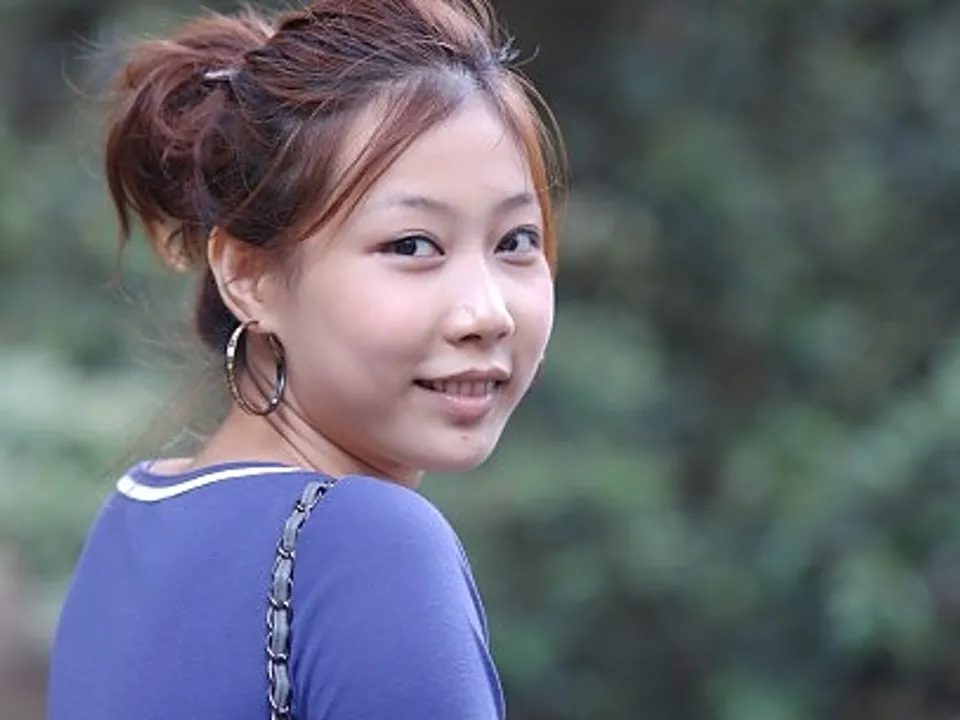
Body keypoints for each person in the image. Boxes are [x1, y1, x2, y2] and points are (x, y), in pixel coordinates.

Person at [47, 0, 566, 718]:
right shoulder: (369, 544)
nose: (487, 313)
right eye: (412, 245)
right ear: (249, 276)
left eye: (516, 241)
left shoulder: (133, 517)